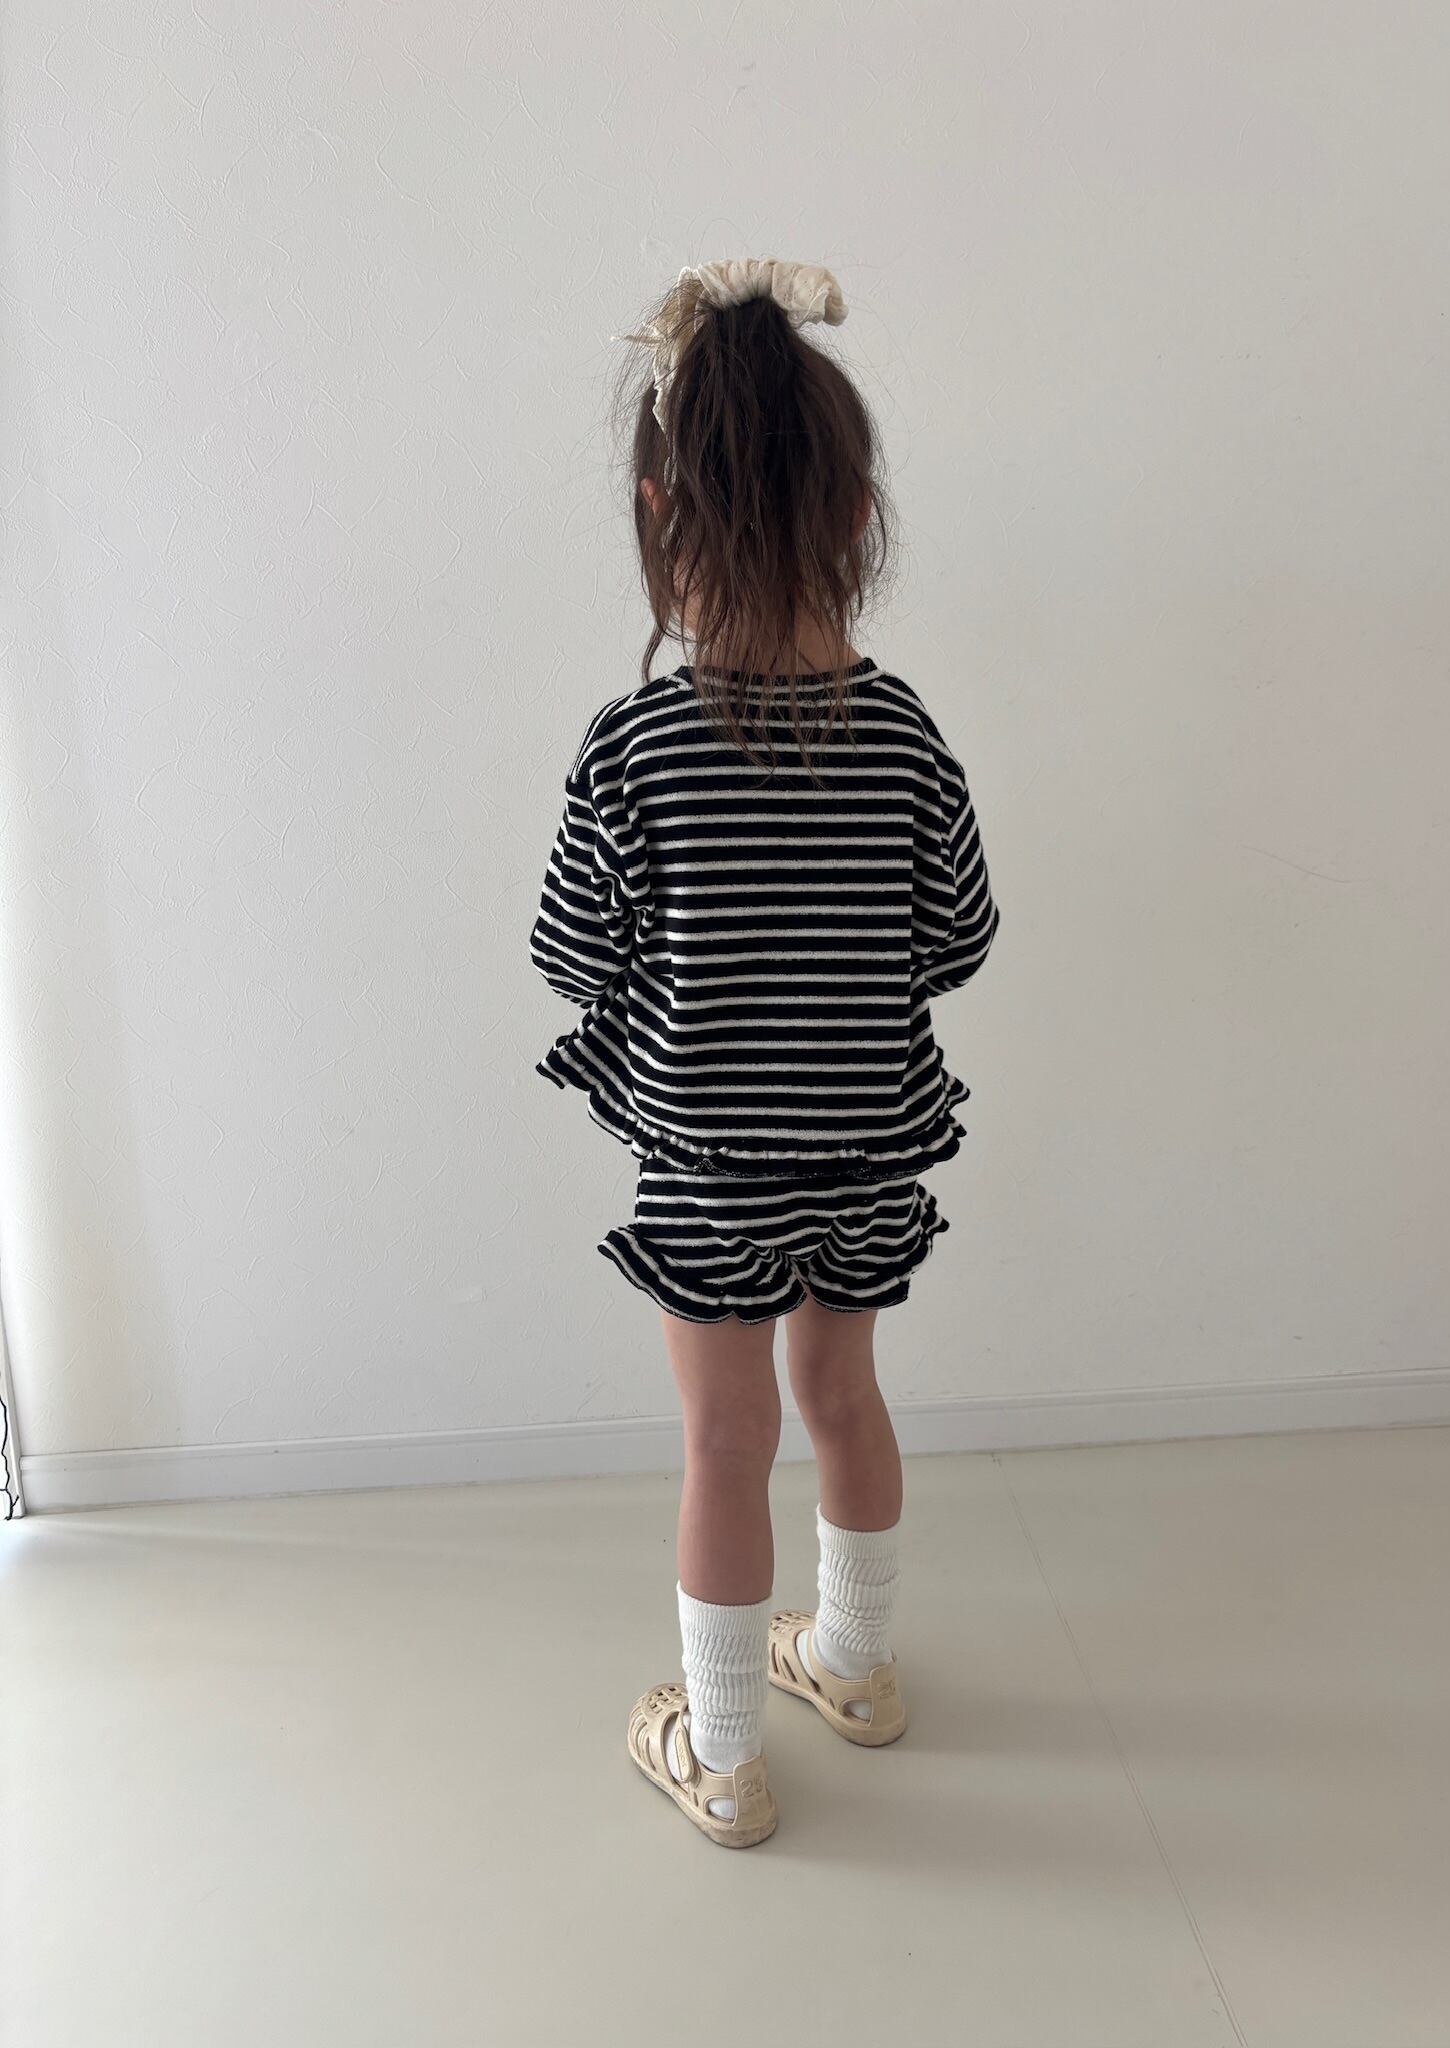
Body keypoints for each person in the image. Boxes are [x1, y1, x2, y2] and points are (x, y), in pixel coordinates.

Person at [530, 259, 998, 1847]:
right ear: (857, 515)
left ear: (658, 514)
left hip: (710, 1168)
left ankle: (724, 1755)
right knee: (844, 1399)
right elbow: (958, 939)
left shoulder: (635, 750)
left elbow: (570, 956)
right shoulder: (907, 735)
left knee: (725, 1442)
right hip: (869, 1148)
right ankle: (855, 1667)